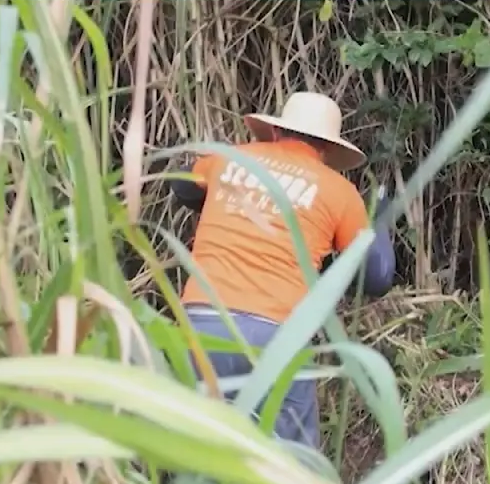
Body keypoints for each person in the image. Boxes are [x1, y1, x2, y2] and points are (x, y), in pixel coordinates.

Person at [169, 92, 396, 450]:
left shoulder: (228, 158)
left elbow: (182, 186)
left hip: (199, 323)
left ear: (275, 132)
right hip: (275, 335)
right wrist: (379, 215)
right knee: (292, 463)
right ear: (327, 150)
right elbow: (378, 276)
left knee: (196, 451)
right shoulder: (339, 191)